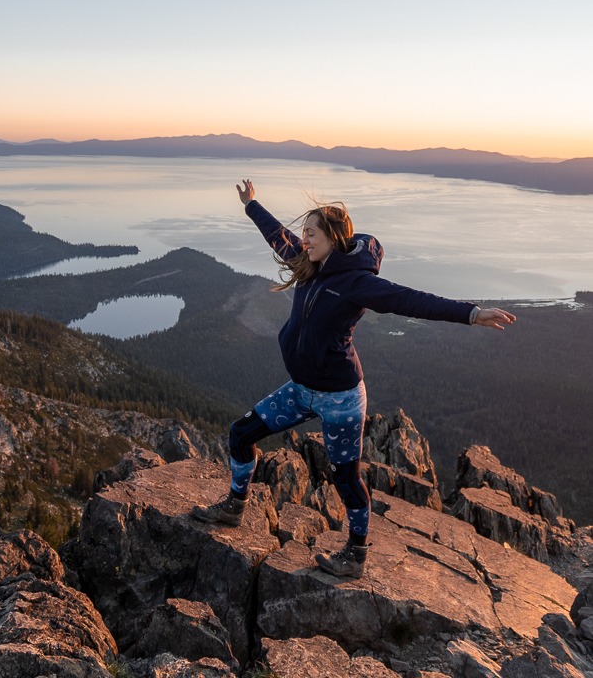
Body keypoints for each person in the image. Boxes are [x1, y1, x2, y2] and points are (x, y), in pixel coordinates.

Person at [191, 179, 516, 579]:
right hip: (301, 390)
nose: (303, 239)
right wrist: (251, 205)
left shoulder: (357, 283)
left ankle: (356, 554)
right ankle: (233, 508)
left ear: (333, 239)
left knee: (345, 478)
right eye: (304, 233)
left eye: (311, 233)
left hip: (341, 398)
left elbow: (410, 300)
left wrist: (472, 313)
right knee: (241, 434)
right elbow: (277, 237)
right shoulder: (308, 263)